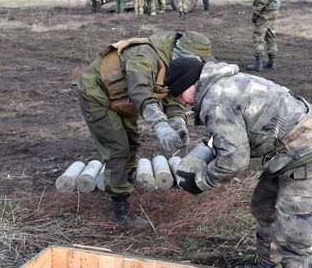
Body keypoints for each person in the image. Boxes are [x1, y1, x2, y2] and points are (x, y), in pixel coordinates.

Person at [164, 57, 312, 268]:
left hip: (307, 156)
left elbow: (235, 159)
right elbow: (230, 136)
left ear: (190, 83)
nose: (183, 102)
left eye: (179, 94)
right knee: (264, 208)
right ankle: (265, 264)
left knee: (293, 233)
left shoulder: (217, 99)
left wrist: (201, 181)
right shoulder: (223, 83)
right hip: (286, 154)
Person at [76, 32, 215, 227]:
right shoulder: (145, 56)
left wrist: (177, 123)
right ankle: (120, 210)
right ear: (182, 54)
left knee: (131, 143)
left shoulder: (175, 63)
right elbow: (139, 91)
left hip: (124, 100)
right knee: (118, 148)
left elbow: (171, 94)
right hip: (98, 96)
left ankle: (123, 183)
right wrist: (160, 126)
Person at [247, 0, 283, 71]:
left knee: (258, 36)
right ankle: (272, 62)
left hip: (265, 13)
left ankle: (258, 64)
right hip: (274, 12)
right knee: (271, 35)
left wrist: (255, 13)